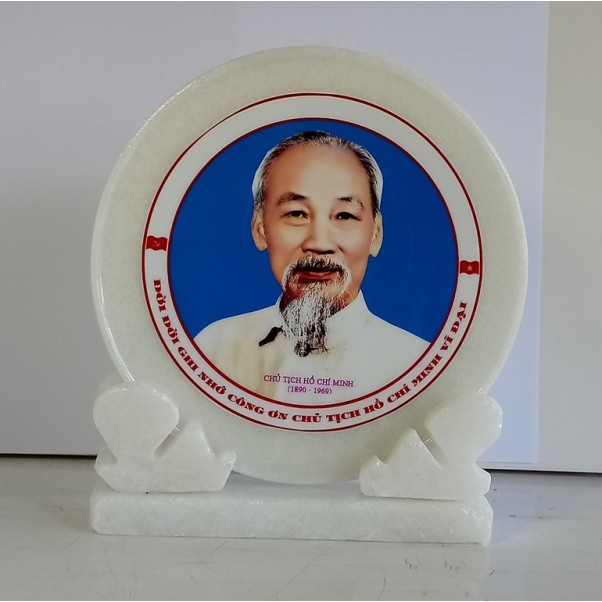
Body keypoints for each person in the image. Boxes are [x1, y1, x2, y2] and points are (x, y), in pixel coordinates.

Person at [195, 131, 429, 403]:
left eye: (344, 215)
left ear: (375, 234)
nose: (319, 243)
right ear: (260, 229)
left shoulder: (414, 366)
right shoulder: (214, 349)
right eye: (297, 214)